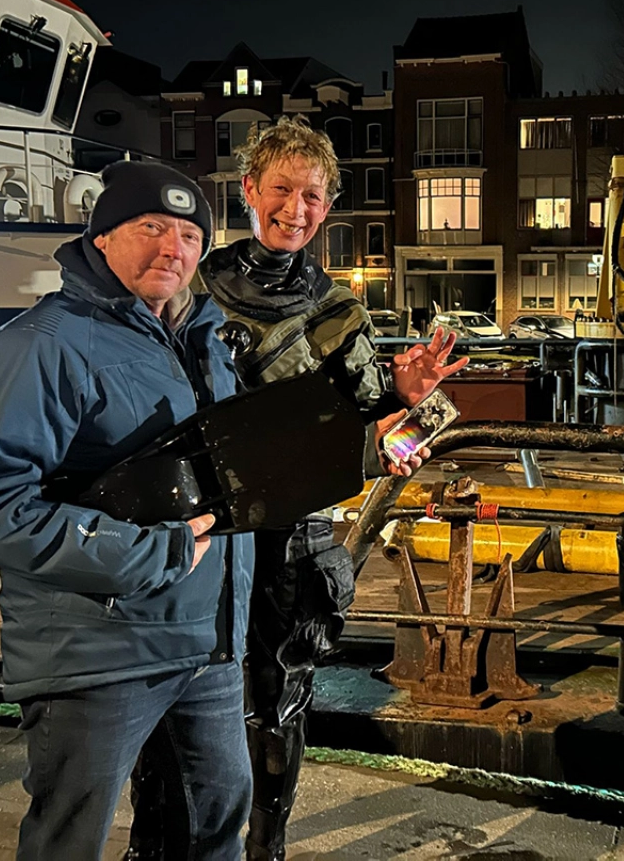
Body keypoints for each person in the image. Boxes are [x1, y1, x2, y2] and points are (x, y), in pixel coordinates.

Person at [127, 116, 467, 861]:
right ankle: (154, 848)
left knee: (277, 702)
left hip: (295, 537)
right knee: (168, 691)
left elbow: (370, 423)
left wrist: (403, 401)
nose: (296, 207)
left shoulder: (340, 308)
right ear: (249, 190)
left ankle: (265, 849)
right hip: (201, 527)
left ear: (327, 207)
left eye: (313, 195)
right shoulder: (194, 284)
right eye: (281, 188)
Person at [0, 162, 255, 861]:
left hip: (207, 644)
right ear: (102, 238)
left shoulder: (204, 340)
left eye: (190, 235)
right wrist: (145, 555)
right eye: (151, 228)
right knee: (69, 841)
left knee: (215, 828)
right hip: (97, 652)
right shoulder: (40, 346)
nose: (174, 248)